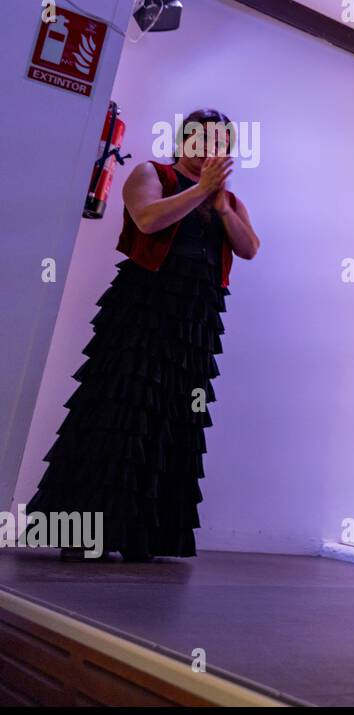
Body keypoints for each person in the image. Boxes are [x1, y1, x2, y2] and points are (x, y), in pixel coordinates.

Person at [26, 109, 258, 561]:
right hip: (144, 310)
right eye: (203, 140)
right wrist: (201, 190)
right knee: (119, 409)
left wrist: (223, 205)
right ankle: (84, 535)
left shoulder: (227, 199)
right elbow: (148, 220)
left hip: (195, 319)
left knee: (174, 416)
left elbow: (248, 248)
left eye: (220, 143)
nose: (211, 149)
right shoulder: (153, 172)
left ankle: (143, 537)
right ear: (184, 142)